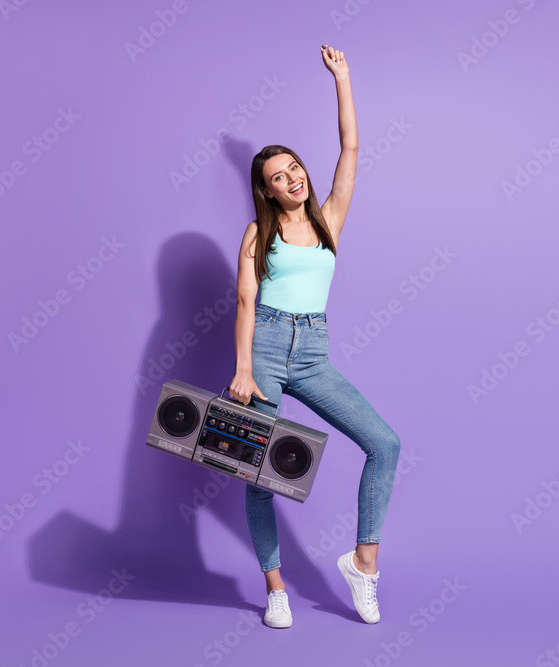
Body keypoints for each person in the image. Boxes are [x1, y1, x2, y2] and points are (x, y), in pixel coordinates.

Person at [228, 44, 401, 629]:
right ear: (268, 191)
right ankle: (275, 588)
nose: (292, 178)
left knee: (385, 443)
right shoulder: (258, 232)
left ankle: (363, 565)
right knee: (260, 472)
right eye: (278, 177)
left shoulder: (330, 218)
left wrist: (343, 78)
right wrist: (245, 368)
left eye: (294, 168)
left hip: (314, 351)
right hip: (269, 350)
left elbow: (351, 147)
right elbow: (246, 300)